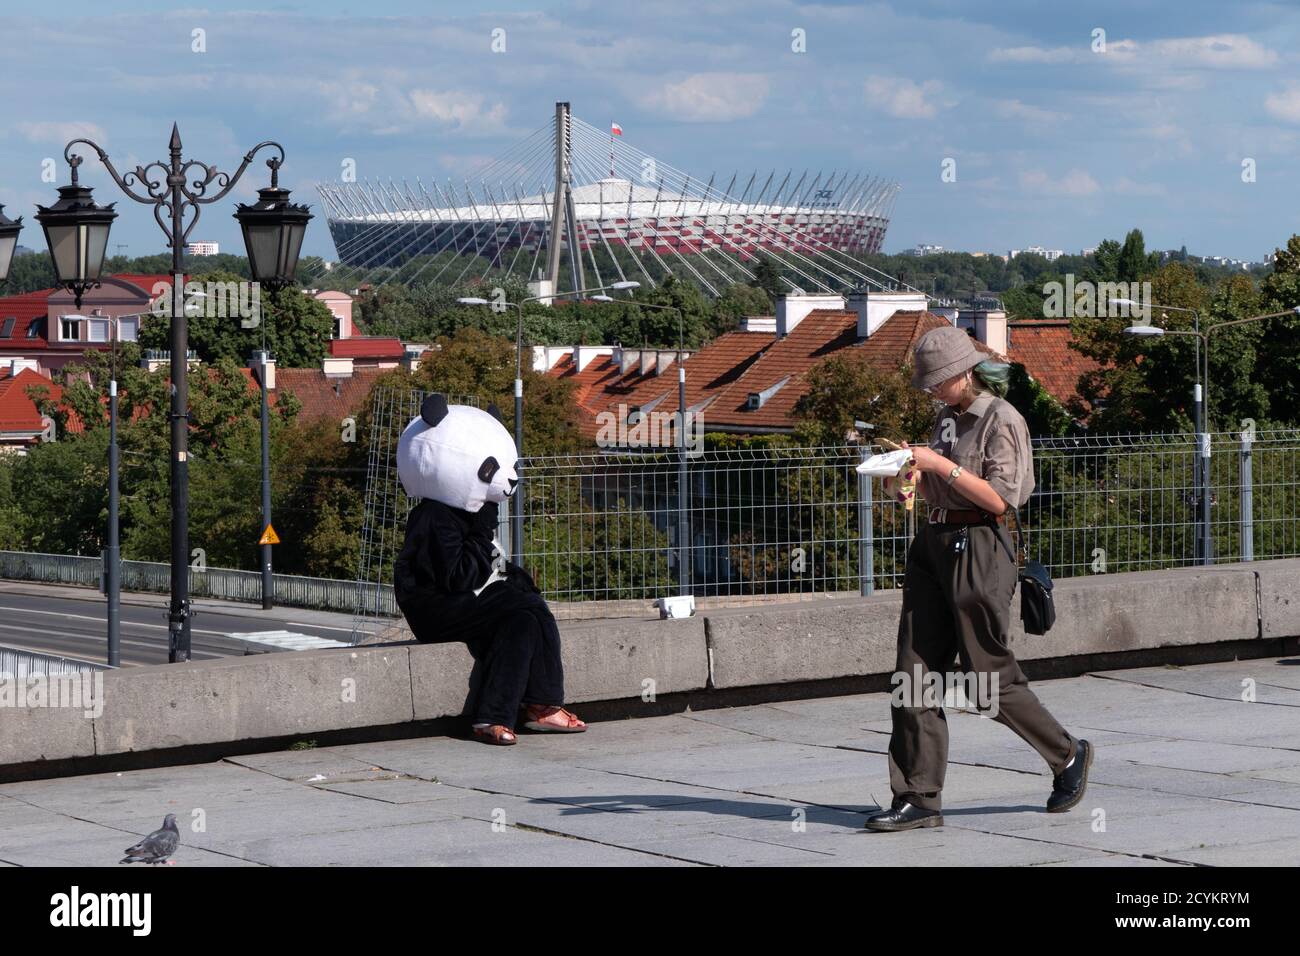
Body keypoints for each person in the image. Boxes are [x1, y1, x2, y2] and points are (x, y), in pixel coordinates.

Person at [863, 326, 1091, 832]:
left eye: (937, 382)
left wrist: (938, 466)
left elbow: (999, 499)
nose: (931, 391)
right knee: (912, 674)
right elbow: (938, 486)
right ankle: (918, 797)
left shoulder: (1001, 419)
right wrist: (909, 477)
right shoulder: (946, 416)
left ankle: (1067, 753)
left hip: (981, 547)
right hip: (934, 544)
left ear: (964, 373)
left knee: (986, 677)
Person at [395, 495, 586, 746]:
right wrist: (479, 531)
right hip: (434, 610)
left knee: (523, 621)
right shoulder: (434, 515)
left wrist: (517, 577)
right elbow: (458, 576)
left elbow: (494, 562)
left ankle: (492, 718)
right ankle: (542, 705)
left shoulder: (466, 513)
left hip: (464, 604)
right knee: (529, 605)